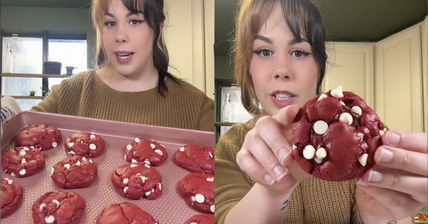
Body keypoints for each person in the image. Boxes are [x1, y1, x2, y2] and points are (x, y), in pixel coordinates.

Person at [214, 0, 428, 223]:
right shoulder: (230, 147)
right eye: (264, 51)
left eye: (298, 52)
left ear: (319, 65)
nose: (282, 70)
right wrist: (271, 191)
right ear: (248, 67)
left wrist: (375, 216)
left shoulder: (370, 144)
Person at [31, 0, 214, 131]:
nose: (120, 35)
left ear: (159, 29)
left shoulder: (198, 109)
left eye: (134, 21)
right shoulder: (69, 94)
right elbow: (18, 135)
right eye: (110, 23)